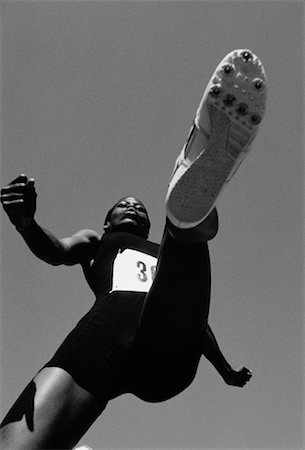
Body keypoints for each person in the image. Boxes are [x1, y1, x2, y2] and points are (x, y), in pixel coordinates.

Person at [0, 49, 266, 450]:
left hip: (168, 343)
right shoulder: (97, 240)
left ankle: (189, 209)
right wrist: (26, 224)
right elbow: (56, 250)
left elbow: (198, 321)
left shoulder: (161, 253)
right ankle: (189, 210)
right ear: (109, 221)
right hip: (105, 333)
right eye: (124, 205)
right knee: (15, 442)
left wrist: (224, 368)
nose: (133, 206)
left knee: (180, 260)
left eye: (138, 206)